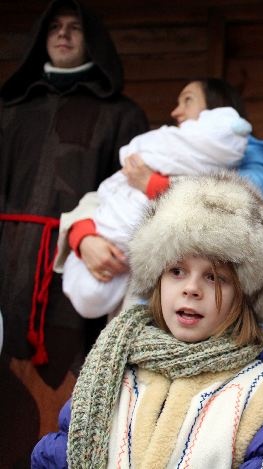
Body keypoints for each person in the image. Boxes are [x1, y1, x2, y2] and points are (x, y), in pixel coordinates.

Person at [33, 173, 263, 468]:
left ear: (245, 296)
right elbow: (59, 453)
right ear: (156, 280)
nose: (191, 288)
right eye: (177, 271)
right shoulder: (112, 368)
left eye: (214, 277)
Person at [0, 0, 148, 465]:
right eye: (55, 28)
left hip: (78, 268)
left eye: (75, 28)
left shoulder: (121, 114)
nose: (64, 35)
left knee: (67, 380)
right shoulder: (10, 109)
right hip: (6, 263)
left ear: (93, 40)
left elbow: (128, 198)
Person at [54, 78, 263, 318]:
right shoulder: (167, 150)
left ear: (218, 106)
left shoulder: (248, 152)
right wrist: (83, 234)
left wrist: (154, 185)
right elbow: (109, 192)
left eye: (188, 100)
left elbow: (258, 201)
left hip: (206, 307)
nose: (176, 112)